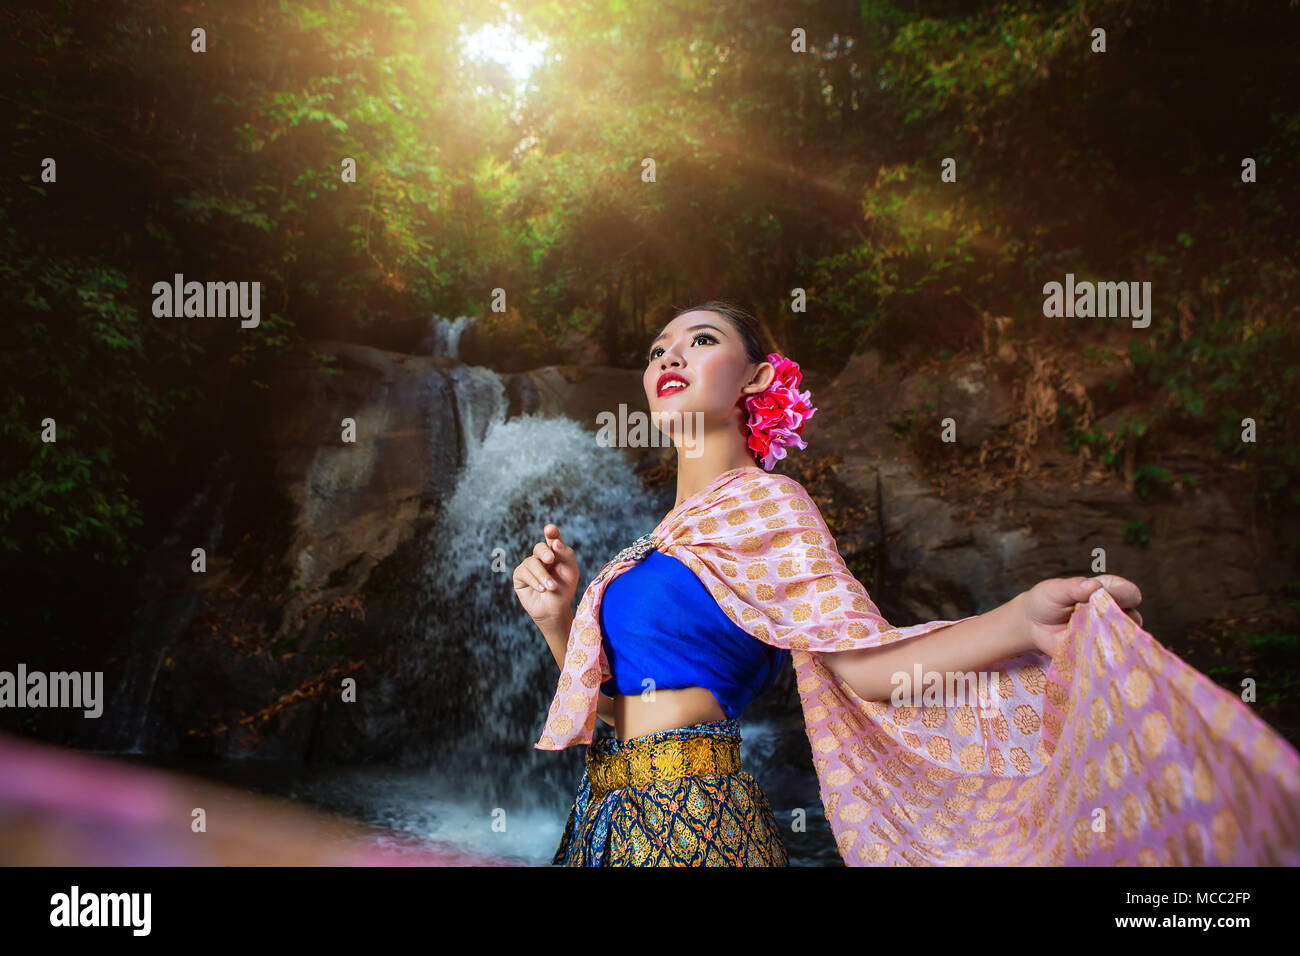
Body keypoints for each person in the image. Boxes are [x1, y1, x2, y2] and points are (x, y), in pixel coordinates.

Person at [515, 300, 1300, 867]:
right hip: (603, 817)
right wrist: (559, 620)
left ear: (756, 379)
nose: (669, 359)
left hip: (696, 820)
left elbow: (866, 665)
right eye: (657, 350)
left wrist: (1020, 622)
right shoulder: (646, 550)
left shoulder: (767, 507)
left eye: (700, 340)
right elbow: (613, 716)